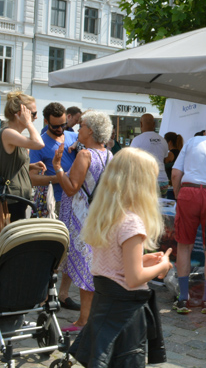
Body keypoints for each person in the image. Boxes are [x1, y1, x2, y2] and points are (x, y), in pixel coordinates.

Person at [71, 147, 173, 367]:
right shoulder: (132, 223)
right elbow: (134, 278)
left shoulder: (107, 214)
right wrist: (162, 266)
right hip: (125, 309)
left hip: (105, 298)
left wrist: (145, 260)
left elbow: (112, 261)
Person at [53, 111, 114, 332]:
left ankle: (83, 320)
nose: (77, 129)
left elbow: (70, 189)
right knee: (93, 266)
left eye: (81, 126)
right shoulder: (108, 154)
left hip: (81, 219)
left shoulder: (84, 155)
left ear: (90, 130)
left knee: (85, 268)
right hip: (98, 217)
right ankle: (91, 316)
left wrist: (58, 167)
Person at [170, 122, 206, 314]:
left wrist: (180, 196)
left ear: (205, 133)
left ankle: (183, 298)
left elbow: (176, 173)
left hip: (189, 191)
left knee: (184, 245)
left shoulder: (193, 141)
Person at [29, 101, 81, 311]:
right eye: (55, 126)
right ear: (46, 122)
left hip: (75, 199)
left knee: (73, 248)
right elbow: (33, 179)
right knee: (54, 249)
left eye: (63, 125)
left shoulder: (72, 136)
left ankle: (64, 294)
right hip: (55, 203)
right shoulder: (39, 144)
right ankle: (44, 296)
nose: (60, 130)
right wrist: (58, 177)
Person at [0, 91, 46, 221]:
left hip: (18, 199)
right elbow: (39, 143)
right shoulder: (7, 133)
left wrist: (31, 166)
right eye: (33, 114)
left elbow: (9, 165)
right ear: (19, 114)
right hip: (12, 201)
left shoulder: (15, 136)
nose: (35, 118)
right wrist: (28, 123)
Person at [130, 113, 169, 190]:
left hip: (145, 181)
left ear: (141, 124)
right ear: (154, 124)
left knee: (144, 202)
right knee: (162, 202)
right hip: (163, 180)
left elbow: (131, 161)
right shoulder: (163, 140)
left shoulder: (137, 140)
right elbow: (165, 159)